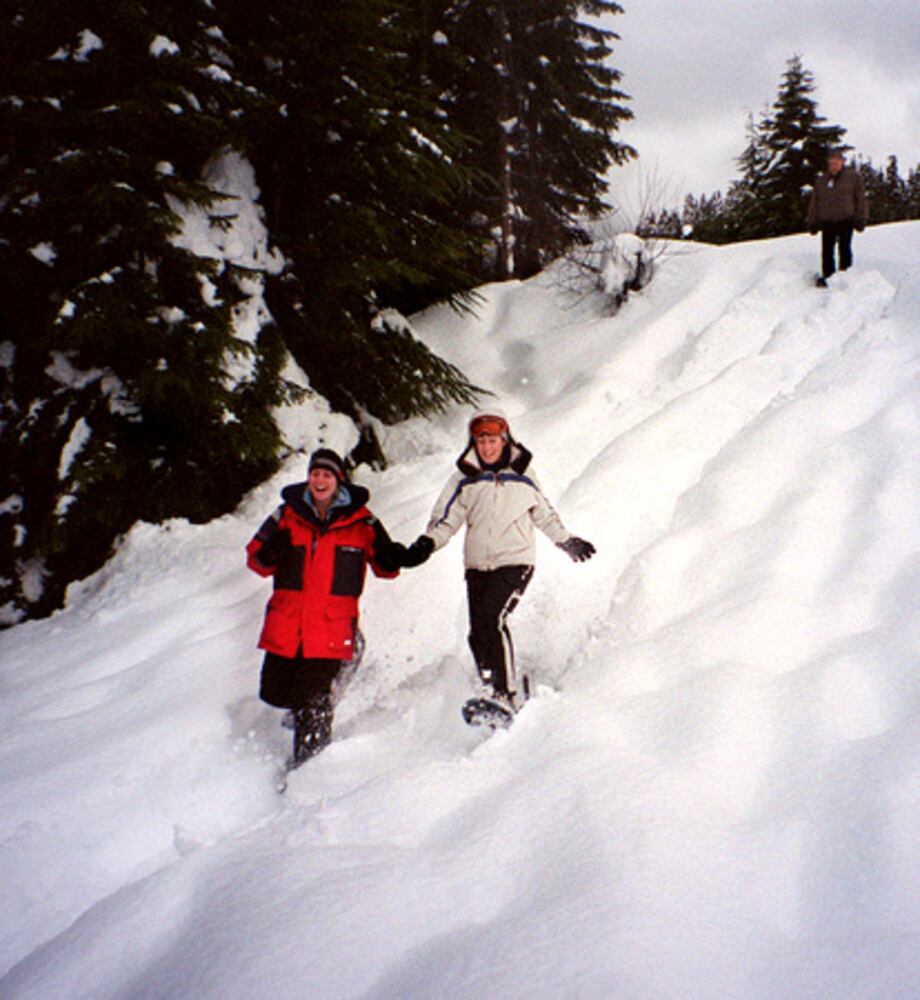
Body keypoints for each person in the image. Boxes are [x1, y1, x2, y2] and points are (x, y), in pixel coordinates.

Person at [391, 410, 595, 714]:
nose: (487, 447)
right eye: (481, 441)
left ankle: (504, 693)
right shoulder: (465, 478)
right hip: (477, 566)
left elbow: (543, 514)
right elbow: (446, 520)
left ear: (505, 440)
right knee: (477, 631)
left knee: (492, 619)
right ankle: (489, 689)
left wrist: (566, 540)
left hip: (516, 560)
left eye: (493, 441)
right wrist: (425, 545)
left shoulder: (522, 474)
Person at [246, 448, 402, 769]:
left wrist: (391, 557)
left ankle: (309, 770)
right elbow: (255, 558)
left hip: (331, 627)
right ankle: (306, 717)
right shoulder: (286, 514)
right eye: (315, 473)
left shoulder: (363, 521)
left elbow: (386, 568)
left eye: (327, 475)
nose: (320, 480)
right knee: (274, 692)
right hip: (288, 624)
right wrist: (269, 553)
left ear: (338, 480)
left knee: (312, 700)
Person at [806, 148, 868, 287]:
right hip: (827, 221)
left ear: (842, 162)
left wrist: (861, 217)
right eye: (831, 163)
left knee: (844, 250)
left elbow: (860, 199)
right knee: (827, 252)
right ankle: (828, 278)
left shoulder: (853, 178)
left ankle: (845, 278)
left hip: (846, 220)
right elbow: (815, 202)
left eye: (836, 163)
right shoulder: (822, 181)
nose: (833, 166)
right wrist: (812, 221)